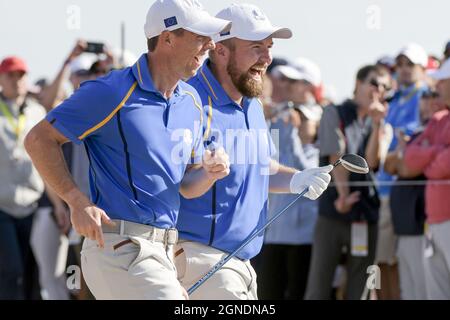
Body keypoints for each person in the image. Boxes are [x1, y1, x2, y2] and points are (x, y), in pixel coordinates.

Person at [24, 0, 232, 300]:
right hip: (118, 249)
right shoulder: (111, 91)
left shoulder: (192, 102)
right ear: (168, 37)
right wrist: (75, 200)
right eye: (200, 36)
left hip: (164, 253)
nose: (210, 45)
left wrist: (210, 173)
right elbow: (38, 140)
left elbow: (186, 186)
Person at [174, 3, 332, 300]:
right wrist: (208, 174)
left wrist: (297, 179)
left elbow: (259, 166)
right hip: (201, 260)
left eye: (269, 47)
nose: (268, 58)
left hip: (241, 263)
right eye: (256, 47)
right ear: (220, 51)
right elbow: (182, 183)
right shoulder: (188, 100)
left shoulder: (253, 104)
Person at [305, 65, 390, 300]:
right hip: (334, 211)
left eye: (385, 86)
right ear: (358, 84)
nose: (379, 90)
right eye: (374, 83)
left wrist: (377, 125)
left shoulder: (380, 121)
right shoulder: (335, 111)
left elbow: (373, 161)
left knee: (360, 287)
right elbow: (337, 158)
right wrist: (343, 196)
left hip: (365, 213)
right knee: (319, 286)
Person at [258, 58, 323, 300]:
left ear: (308, 86)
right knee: (268, 294)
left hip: (304, 236)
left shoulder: (319, 116)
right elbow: (269, 162)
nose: (285, 85)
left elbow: (307, 175)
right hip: (274, 231)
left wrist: (293, 133)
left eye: (293, 81)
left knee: (297, 292)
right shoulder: (281, 117)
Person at [375, 43, 428, 300]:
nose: (405, 70)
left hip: (410, 191)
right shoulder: (393, 100)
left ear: (422, 68)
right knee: (383, 259)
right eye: (401, 65)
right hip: (384, 188)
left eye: (411, 65)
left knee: (406, 261)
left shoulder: (426, 97)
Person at [0, 56, 47, 299]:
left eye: (21, 75)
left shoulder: (37, 111)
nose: (17, 81)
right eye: (10, 75)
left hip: (33, 204)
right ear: (1, 78)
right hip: (2, 206)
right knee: (11, 270)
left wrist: (60, 204)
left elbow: (48, 157)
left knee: (33, 270)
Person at [404, 58, 450, 299]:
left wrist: (431, 159)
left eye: (442, 80)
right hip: (434, 222)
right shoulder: (439, 119)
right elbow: (410, 158)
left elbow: (442, 165)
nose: (437, 86)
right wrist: (436, 153)